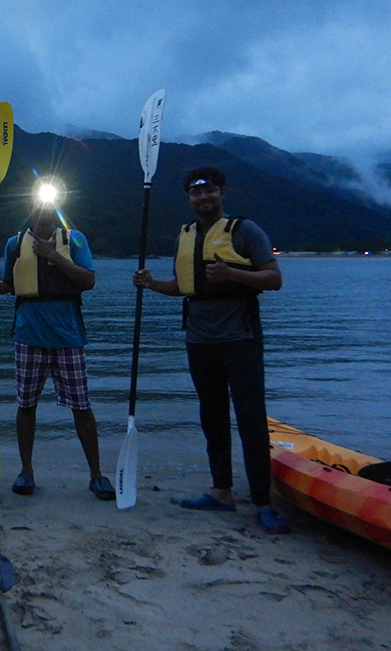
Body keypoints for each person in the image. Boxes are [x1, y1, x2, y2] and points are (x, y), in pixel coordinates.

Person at [132, 166, 289, 534]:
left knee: (250, 418)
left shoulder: (245, 231)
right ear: (189, 198)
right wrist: (153, 284)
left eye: (210, 191)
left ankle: (263, 502)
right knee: (212, 416)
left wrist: (234, 274)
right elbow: (186, 286)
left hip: (240, 338)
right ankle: (222, 492)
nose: (203, 197)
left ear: (222, 193)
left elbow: (274, 278)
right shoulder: (185, 235)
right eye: (196, 192)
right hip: (199, 339)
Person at [0, 198, 116, 500]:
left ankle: (96, 474)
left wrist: (53, 256)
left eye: (49, 208)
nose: (44, 214)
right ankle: (26, 471)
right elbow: (10, 283)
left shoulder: (74, 239)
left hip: (68, 336)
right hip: (29, 334)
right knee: (26, 404)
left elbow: (89, 280)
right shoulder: (14, 244)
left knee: (82, 406)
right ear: (31, 211)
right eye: (38, 208)